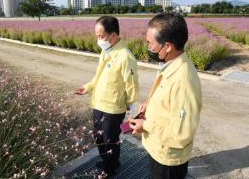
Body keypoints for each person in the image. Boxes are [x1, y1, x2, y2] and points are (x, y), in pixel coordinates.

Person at [129, 13, 202, 179]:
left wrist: (146, 126)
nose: (148, 47)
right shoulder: (171, 63)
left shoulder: (183, 82)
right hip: (160, 148)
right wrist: (151, 105)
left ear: (167, 46)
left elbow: (182, 134)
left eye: (150, 43)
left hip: (169, 158)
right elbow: (168, 100)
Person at [75, 16, 139, 177]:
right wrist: (87, 87)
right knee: (99, 137)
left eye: (101, 36)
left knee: (110, 140)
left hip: (113, 108)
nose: (98, 40)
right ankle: (107, 161)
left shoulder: (125, 56)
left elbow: (131, 85)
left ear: (114, 35)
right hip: (98, 104)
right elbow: (98, 76)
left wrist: (130, 106)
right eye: (97, 36)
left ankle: (109, 168)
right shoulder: (106, 51)